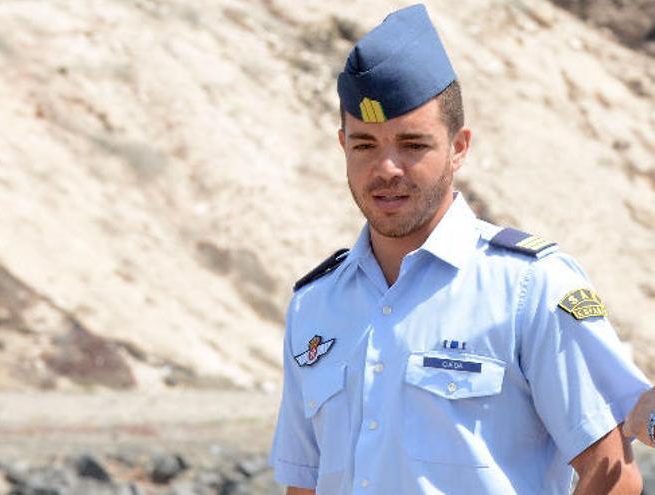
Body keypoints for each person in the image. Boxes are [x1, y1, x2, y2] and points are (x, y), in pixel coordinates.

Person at [268, 4, 651, 494]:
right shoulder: (314, 305)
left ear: (460, 146)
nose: (386, 168)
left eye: (412, 144)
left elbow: (612, 475)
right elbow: (305, 484)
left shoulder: (529, 286)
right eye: (365, 145)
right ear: (342, 145)